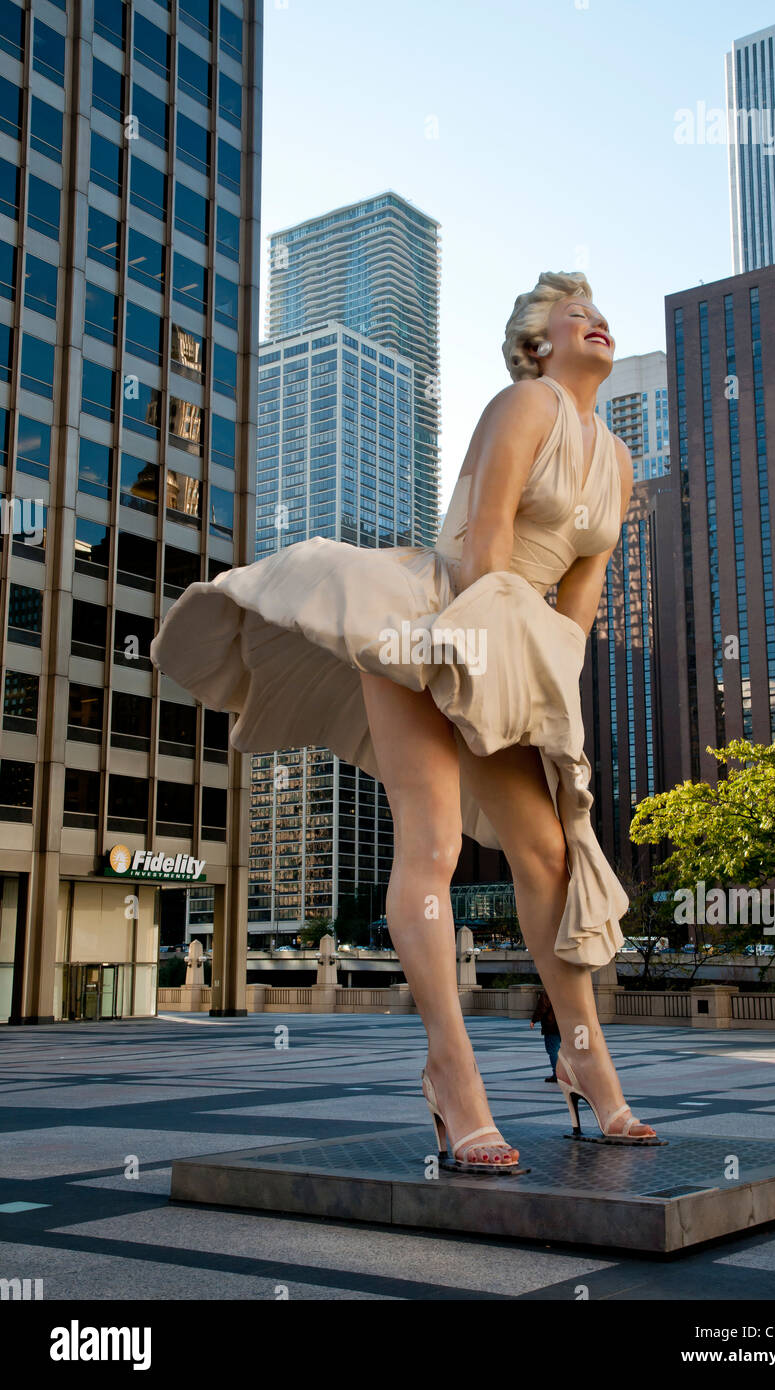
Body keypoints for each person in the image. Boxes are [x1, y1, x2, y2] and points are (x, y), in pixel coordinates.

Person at [150, 270, 660, 1171]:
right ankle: (452, 1076)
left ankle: (585, 1063)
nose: (598, 323)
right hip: (428, 621)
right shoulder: (526, 403)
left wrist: (549, 708)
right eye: (575, 316)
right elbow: (484, 543)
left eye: (601, 314)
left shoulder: (615, 462)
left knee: (546, 853)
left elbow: (578, 610)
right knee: (432, 849)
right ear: (537, 346)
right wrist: (487, 659)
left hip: (512, 644)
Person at [530, 988, 561, 1081]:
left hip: (552, 1025)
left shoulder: (549, 990)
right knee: (559, 1050)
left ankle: (558, 1075)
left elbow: (542, 1007)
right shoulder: (566, 989)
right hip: (565, 1025)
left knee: (553, 1050)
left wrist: (534, 1020)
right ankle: (562, 1074)